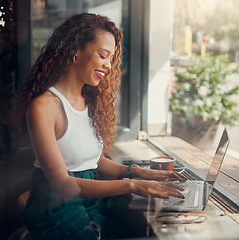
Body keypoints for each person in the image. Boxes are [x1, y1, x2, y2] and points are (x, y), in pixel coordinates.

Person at [13, 13, 187, 240]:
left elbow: (94, 161)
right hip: (56, 210)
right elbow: (63, 185)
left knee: (148, 218)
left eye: (111, 58)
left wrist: (141, 173)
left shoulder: (88, 101)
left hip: (88, 202)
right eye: (103, 55)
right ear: (75, 49)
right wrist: (133, 185)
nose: (108, 65)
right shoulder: (43, 107)